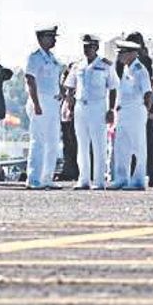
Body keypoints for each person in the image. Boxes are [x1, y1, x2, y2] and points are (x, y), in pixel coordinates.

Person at [64, 34, 116, 190]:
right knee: (82, 144)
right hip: (81, 106)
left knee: (99, 144)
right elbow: (70, 86)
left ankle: (99, 180)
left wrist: (111, 109)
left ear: (96, 48)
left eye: (90, 47)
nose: (87, 50)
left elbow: (113, 88)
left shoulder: (105, 65)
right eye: (85, 47)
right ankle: (83, 179)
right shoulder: (77, 65)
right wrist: (70, 104)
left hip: (98, 106)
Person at [24, 26, 66, 190]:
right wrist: (36, 103)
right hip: (40, 100)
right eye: (51, 36)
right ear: (42, 38)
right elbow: (30, 80)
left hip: (53, 102)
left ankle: (47, 177)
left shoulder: (52, 58)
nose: (54, 40)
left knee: (53, 141)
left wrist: (61, 90)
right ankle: (34, 178)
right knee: (39, 140)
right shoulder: (35, 57)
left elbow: (54, 80)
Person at [110, 39, 153, 191]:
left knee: (138, 147)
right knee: (122, 147)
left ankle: (138, 180)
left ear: (132, 54)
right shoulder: (126, 69)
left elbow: (148, 93)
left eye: (123, 53)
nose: (120, 56)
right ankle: (121, 178)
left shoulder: (140, 69)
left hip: (135, 111)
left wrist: (145, 111)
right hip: (123, 112)